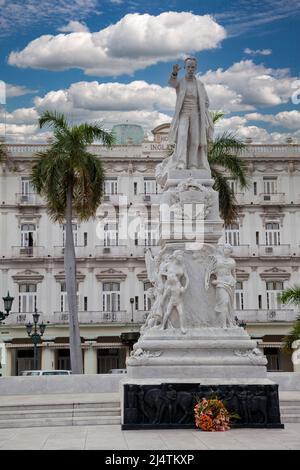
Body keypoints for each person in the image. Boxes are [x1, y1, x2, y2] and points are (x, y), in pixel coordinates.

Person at [168, 57, 214, 172]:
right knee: (182, 137)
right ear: (185, 67)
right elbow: (172, 83)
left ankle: (193, 164)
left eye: (192, 67)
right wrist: (174, 73)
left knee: (195, 140)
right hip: (183, 113)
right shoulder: (180, 81)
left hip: (196, 114)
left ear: (196, 68)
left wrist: (201, 107)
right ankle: (181, 163)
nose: (190, 69)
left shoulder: (200, 84)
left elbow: (207, 101)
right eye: (188, 67)